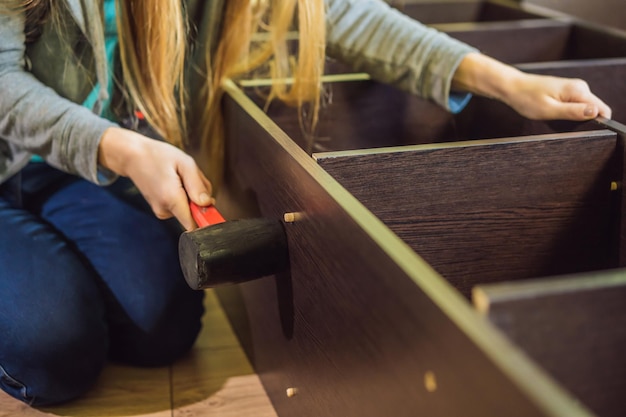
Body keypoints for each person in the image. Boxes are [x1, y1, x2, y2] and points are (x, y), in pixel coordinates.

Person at [0, 0, 612, 407]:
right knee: (56, 358)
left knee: (163, 329)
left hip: (94, 170)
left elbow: (342, 13)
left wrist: (506, 82)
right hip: (22, 157)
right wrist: (117, 147)